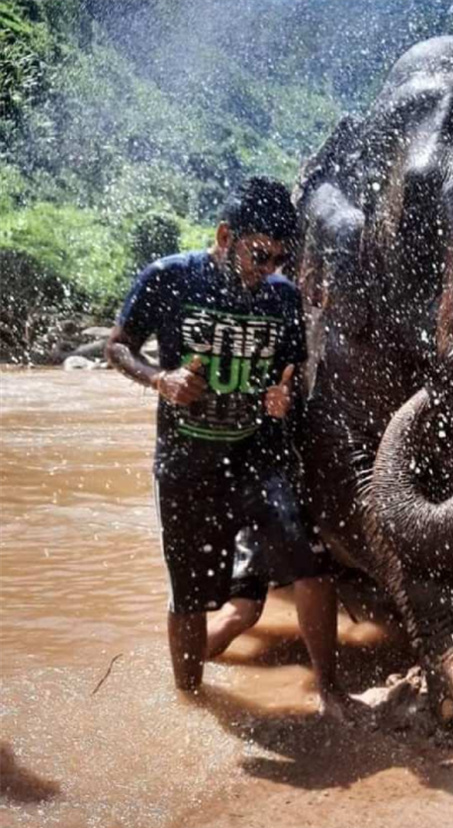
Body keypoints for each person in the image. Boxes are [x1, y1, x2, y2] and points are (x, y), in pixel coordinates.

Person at [106, 176, 351, 718]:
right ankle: (193, 706)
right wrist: (160, 379)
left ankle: (332, 692)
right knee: (190, 596)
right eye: (259, 255)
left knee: (311, 568)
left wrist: (282, 397)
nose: (267, 270)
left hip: (258, 456)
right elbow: (117, 348)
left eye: (279, 260)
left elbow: (288, 375)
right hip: (185, 460)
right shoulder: (168, 279)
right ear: (223, 235)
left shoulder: (282, 298)